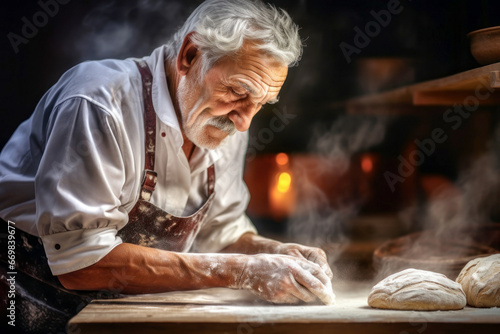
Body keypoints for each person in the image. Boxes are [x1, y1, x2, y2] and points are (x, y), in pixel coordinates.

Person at [0, 0, 335, 332]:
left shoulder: (223, 121)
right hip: (23, 291)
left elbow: (220, 233)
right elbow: (80, 262)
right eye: (236, 91)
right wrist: (242, 271)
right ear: (189, 55)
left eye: (260, 104)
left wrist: (277, 254)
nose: (245, 122)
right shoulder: (99, 103)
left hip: (113, 309)